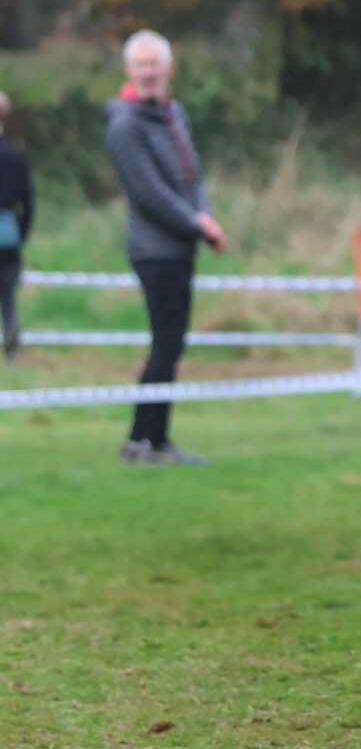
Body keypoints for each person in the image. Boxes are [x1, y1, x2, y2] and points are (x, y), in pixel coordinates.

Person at [105, 32, 228, 465]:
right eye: (140, 64)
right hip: (153, 250)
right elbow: (149, 192)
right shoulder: (124, 124)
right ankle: (142, 439)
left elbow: (190, 178)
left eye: (154, 63)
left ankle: (155, 438)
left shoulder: (174, 113)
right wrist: (198, 225)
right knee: (166, 343)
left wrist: (204, 216)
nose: (148, 71)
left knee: (171, 344)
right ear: (128, 71)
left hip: (181, 247)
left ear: (169, 67)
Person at [0, 90, 31, 360]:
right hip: (7, 230)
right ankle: (10, 331)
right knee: (8, 293)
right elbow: (28, 202)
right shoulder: (15, 155)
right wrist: (22, 233)